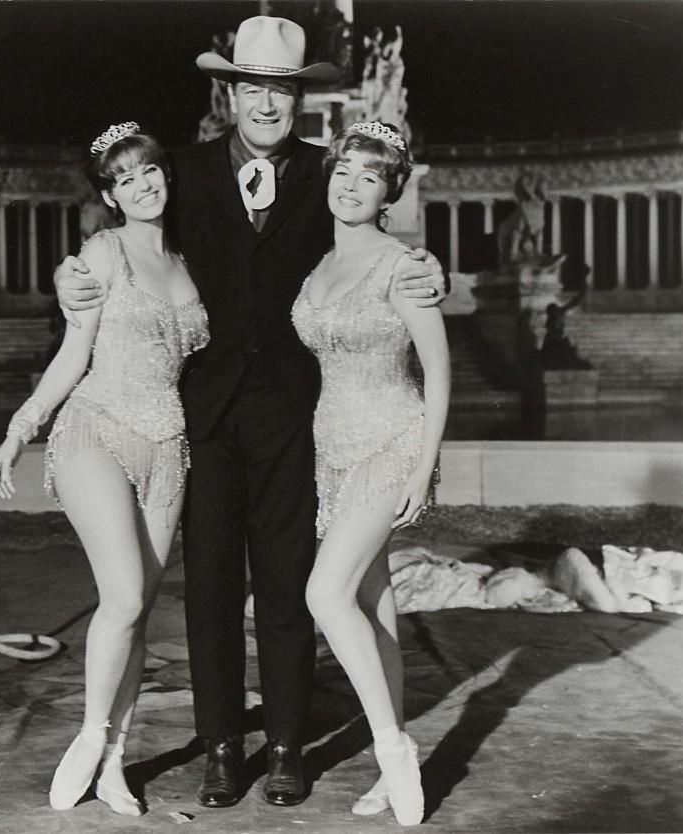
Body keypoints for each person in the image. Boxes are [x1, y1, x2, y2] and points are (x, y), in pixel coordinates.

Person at [53, 15, 449, 810]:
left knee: (288, 582)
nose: (266, 104)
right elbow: (125, 240)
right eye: (252, 88)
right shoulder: (185, 172)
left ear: (300, 99)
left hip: (297, 417)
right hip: (200, 414)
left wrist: (427, 265)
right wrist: (69, 274)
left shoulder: (327, 174)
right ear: (227, 91)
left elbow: (375, 246)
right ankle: (222, 745)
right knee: (206, 590)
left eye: (282, 90)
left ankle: (288, 748)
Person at [0, 124, 209, 814]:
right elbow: (72, 354)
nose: (143, 185)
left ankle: (114, 760)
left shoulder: (193, 259)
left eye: (150, 171)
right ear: (110, 196)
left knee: (138, 612)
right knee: (121, 595)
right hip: (96, 429)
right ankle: (88, 736)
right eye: (125, 178)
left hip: (168, 445)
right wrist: (23, 424)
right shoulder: (100, 254)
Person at [291, 121, 450, 826]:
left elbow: (439, 373)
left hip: (392, 437)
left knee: (325, 592)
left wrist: (424, 464)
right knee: (373, 601)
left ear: (390, 191)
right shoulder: (317, 267)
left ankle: (392, 749)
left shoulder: (404, 267)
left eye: (369, 177)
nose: (350, 187)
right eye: (343, 172)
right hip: (333, 449)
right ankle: (393, 770)